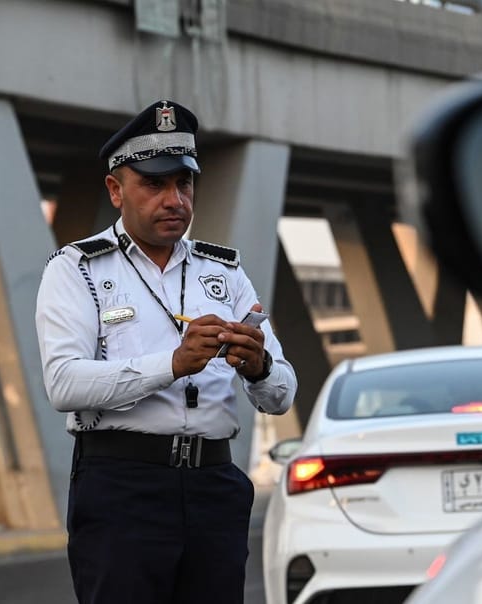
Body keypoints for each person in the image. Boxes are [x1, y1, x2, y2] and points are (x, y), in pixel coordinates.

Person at [35, 99, 297, 604]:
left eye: (184, 182)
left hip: (214, 485)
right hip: (122, 487)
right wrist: (173, 364)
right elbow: (64, 384)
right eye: (154, 184)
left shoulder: (223, 271)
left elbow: (282, 395)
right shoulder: (77, 269)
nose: (174, 199)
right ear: (116, 190)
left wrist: (259, 365)